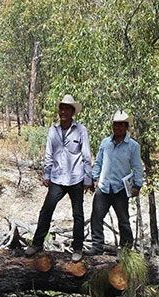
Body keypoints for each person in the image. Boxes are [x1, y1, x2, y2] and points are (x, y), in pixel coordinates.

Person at [24, 95, 93, 261]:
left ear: (72, 112)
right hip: (57, 178)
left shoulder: (81, 130)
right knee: (46, 210)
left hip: (76, 178)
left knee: (78, 214)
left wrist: (88, 178)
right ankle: (37, 243)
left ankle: (77, 249)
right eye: (61, 108)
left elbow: (86, 155)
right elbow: (49, 154)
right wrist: (46, 173)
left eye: (67, 109)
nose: (63, 111)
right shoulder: (53, 130)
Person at [86, 110, 143, 255]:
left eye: (121, 125)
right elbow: (98, 162)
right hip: (104, 187)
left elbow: (137, 166)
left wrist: (137, 185)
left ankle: (126, 250)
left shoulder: (133, 146)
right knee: (96, 218)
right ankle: (97, 246)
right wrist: (93, 178)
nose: (117, 128)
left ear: (126, 127)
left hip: (120, 189)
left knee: (123, 220)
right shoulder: (106, 143)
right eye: (115, 125)